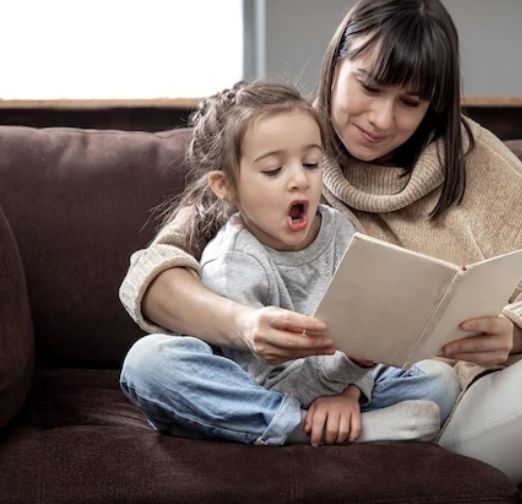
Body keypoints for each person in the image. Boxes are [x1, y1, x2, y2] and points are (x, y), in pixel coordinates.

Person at [119, 0, 522, 501]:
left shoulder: (468, 157)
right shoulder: (276, 147)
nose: (382, 117)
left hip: (498, 386)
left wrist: (511, 332)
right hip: (428, 410)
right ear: (335, 61)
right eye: (369, 86)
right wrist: (246, 324)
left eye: (410, 101)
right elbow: (154, 276)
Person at [119, 80, 460, 447]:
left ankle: (287, 426)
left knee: (438, 379)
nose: (299, 179)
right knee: (149, 364)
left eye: (311, 163)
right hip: (264, 392)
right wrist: (345, 374)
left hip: (338, 386)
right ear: (225, 186)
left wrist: (349, 392)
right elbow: (268, 383)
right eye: (272, 170)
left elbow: (368, 342)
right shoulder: (231, 262)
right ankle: (307, 428)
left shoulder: (340, 231)